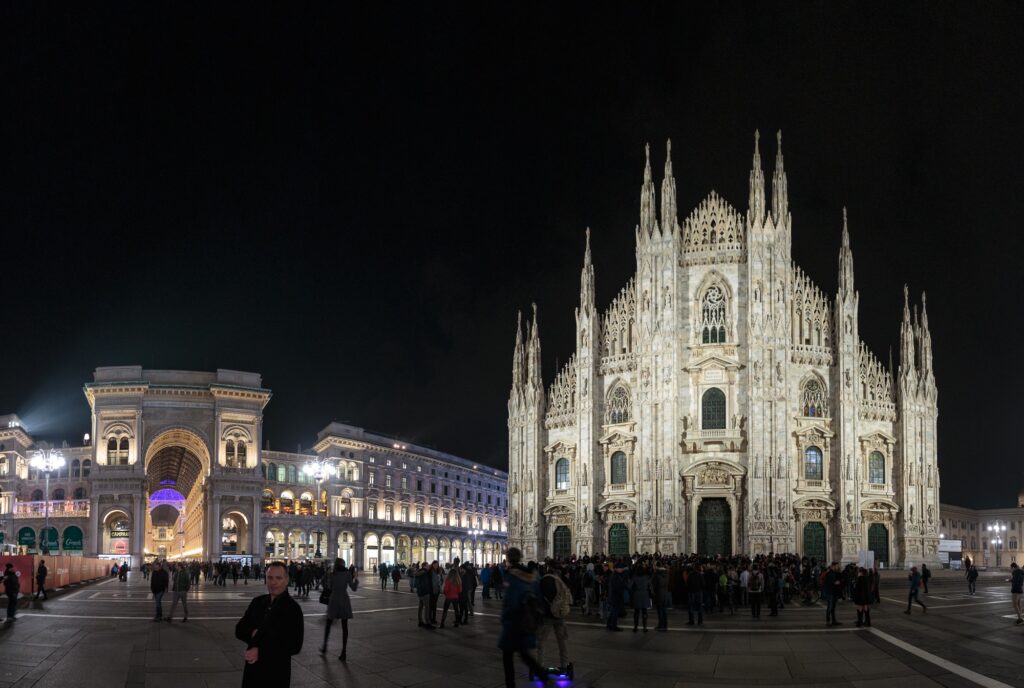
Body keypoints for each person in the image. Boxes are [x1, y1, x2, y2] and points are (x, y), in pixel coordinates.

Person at [235, 561, 304, 687]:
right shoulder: (257, 602)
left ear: (287, 580)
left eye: (278, 578)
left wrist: (261, 650)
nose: (273, 582)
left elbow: (294, 645)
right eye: (270, 578)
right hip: (252, 674)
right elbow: (239, 629)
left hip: (275, 674)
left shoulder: (293, 609)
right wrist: (252, 633)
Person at [497, 547, 545, 688]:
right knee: (524, 654)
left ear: (508, 559)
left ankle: (511, 685)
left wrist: (504, 617)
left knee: (508, 656)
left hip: (514, 622)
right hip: (528, 621)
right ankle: (544, 677)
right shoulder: (532, 576)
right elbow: (538, 597)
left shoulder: (512, 576)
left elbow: (511, 602)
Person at [537, 561, 572, 673]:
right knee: (562, 641)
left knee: (541, 641)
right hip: (560, 615)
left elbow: (539, 597)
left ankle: (540, 665)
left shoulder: (544, 580)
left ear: (548, 568)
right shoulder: (561, 580)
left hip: (547, 616)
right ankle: (564, 665)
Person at [321, 558, 358, 660]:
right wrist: (356, 580)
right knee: (344, 627)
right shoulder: (347, 574)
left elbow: (326, 584)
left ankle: (324, 646)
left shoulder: (333, 573)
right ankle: (343, 652)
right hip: (344, 600)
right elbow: (353, 588)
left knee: (328, 624)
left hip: (333, 599)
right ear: (343, 564)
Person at [630, 560, 652, 632]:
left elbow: (629, 586)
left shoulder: (634, 577)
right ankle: (644, 627)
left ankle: (635, 627)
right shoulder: (647, 577)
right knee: (644, 611)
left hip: (637, 595)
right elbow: (650, 587)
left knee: (636, 612)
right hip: (645, 595)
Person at [415, 563, 435, 629]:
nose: (429, 566)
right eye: (427, 565)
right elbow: (425, 583)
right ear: (424, 566)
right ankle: (427, 623)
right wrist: (427, 590)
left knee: (420, 607)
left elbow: (415, 584)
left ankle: (420, 621)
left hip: (420, 592)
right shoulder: (424, 573)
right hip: (425, 592)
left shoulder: (418, 572)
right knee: (427, 608)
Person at [823, 562, 842, 626]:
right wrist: (835, 582)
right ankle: (828, 621)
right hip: (830, 592)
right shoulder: (829, 574)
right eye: (837, 566)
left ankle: (834, 620)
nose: (838, 567)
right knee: (830, 607)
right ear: (833, 566)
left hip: (834, 592)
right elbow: (829, 583)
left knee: (833, 607)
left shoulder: (835, 573)